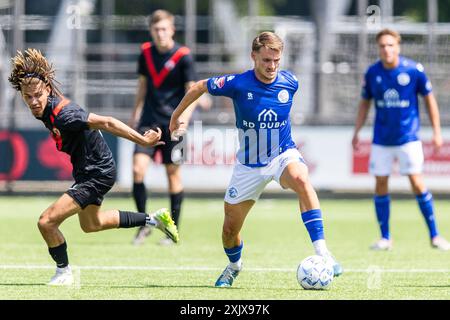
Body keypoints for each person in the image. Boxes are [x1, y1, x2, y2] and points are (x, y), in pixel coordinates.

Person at [169, 31, 343, 288]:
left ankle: (323, 253)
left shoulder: (290, 83)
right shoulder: (238, 84)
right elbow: (198, 87)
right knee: (229, 230)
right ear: (253, 57)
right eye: (266, 61)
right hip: (249, 166)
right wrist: (176, 117)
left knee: (301, 178)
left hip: (282, 155)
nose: (272, 66)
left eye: (276, 61)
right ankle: (234, 266)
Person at [8, 48, 180, 286]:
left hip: (96, 173)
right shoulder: (45, 110)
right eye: (28, 97)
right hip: (88, 171)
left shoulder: (65, 114)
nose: (34, 101)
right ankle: (154, 220)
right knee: (92, 224)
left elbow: (107, 122)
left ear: (47, 88)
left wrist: (142, 140)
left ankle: (64, 273)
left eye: (38, 95)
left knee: (46, 221)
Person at [352, 28, 449, 251]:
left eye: (390, 45)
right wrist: (357, 131)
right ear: (378, 48)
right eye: (382, 46)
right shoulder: (372, 73)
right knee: (381, 184)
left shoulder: (414, 70)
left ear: (398, 46)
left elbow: (429, 100)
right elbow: (365, 103)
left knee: (416, 183)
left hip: (408, 139)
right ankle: (385, 237)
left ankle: (435, 235)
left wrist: (436, 131)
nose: (386, 49)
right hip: (381, 140)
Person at [129, 9, 203, 246]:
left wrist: (184, 120)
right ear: (151, 31)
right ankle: (143, 226)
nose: (160, 34)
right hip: (148, 122)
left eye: (164, 29)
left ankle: (173, 231)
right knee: (137, 170)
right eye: (156, 29)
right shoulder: (146, 53)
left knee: (173, 174)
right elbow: (142, 86)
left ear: (172, 30)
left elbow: (193, 92)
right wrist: (136, 113)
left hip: (175, 124)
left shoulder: (184, 56)